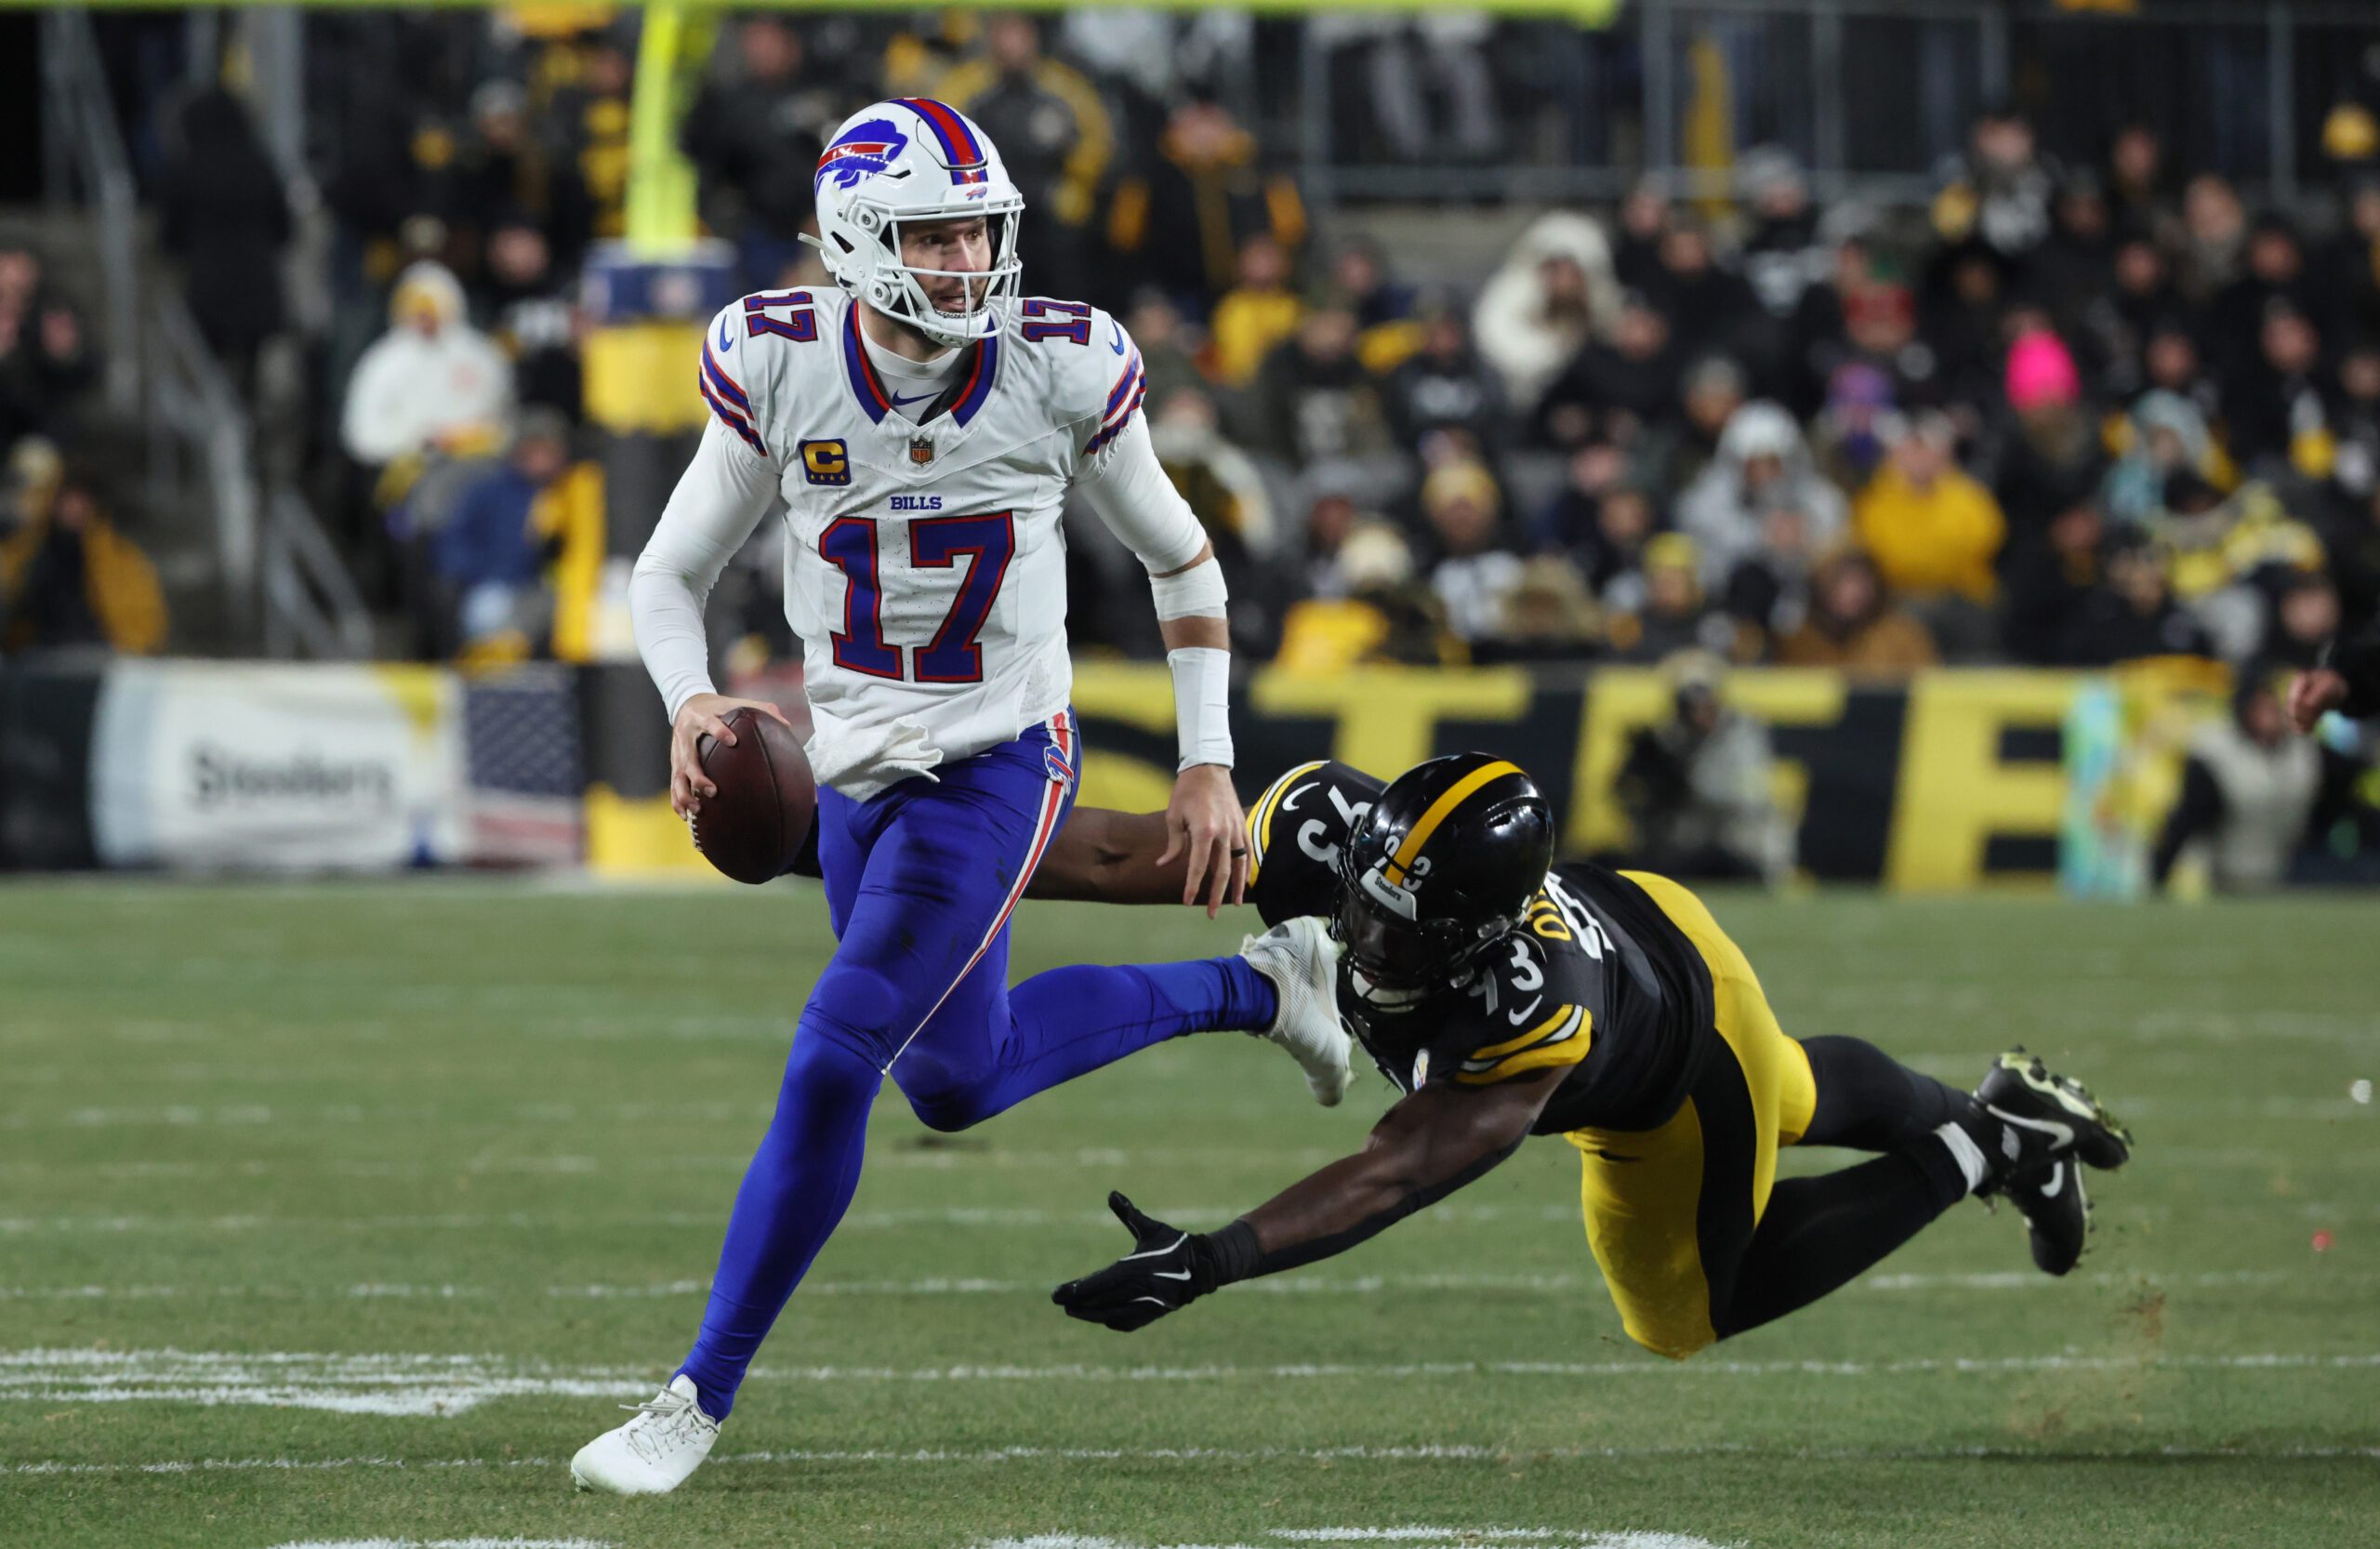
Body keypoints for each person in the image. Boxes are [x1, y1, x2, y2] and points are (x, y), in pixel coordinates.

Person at [573, 99, 1353, 1497]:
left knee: (834, 1055)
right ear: (861, 241)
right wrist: (693, 699)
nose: (965, 260)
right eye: (934, 234)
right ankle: (1267, 988)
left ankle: (697, 1393)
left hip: (995, 760)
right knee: (958, 1076)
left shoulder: (1055, 369)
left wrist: (1208, 758)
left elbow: (1184, 563)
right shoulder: (780, 361)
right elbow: (666, 573)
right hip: (856, 761)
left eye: (977, 231)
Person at [1042, 754, 2133, 1354]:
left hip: (1668, 1068)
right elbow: (1116, 850)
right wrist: (956, 857)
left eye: (1406, 931)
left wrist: (1213, 1258)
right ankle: (2003, 1118)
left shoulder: (1531, 1013)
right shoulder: (1332, 824)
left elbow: (1398, 1166)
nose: (1368, 941)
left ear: (1482, 932)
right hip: (1660, 920)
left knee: (1685, 1312)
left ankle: (1983, 1151)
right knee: (1785, 1084)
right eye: (1362, 906)